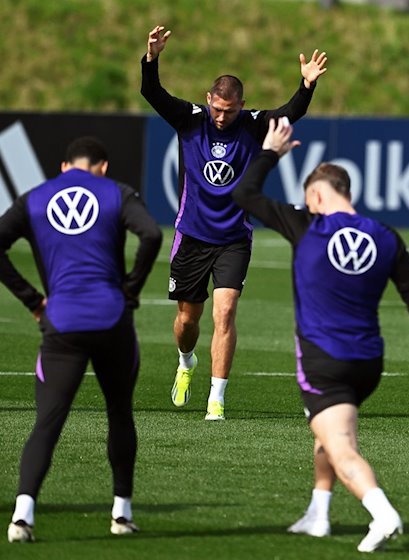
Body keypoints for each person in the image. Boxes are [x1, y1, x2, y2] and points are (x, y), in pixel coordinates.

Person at [232, 118, 409, 552]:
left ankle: (382, 513)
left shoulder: (306, 224)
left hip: (323, 360)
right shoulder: (386, 237)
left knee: (342, 446)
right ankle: (319, 512)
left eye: (310, 200)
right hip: (369, 363)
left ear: (315, 195)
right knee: (327, 434)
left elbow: (243, 195)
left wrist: (271, 152)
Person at [141, 25, 327, 420]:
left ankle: (216, 400)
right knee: (187, 320)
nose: (222, 117)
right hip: (191, 236)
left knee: (224, 312)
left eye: (230, 110)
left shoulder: (254, 124)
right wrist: (152, 60)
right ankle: (186, 361)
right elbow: (152, 94)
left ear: (242, 105)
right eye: (217, 108)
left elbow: (290, 112)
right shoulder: (190, 119)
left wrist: (306, 86)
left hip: (234, 239)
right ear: (208, 100)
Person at [1, 137, 162, 543]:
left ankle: (22, 516)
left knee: (47, 423)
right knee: (120, 413)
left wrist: (32, 300)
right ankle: (121, 513)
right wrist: (130, 289)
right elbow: (152, 235)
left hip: (62, 323)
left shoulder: (35, 197)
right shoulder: (117, 192)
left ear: (63, 166)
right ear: (102, 167)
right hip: (112, 319)